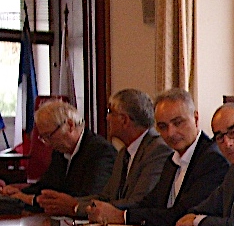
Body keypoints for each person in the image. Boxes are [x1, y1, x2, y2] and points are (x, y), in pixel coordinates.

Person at [88, 88, 228, 226]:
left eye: (178, 123)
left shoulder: (213, 159)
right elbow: (150, 203)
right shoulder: (172, 160)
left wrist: (122, 216)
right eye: (163, 126)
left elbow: (181, 214)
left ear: (196, 119)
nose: (170, 133)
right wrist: (106, 209)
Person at [35, 89, 173, 217]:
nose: (107, 118)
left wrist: (76, 206)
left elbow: (138, 202)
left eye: (110, 112)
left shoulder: (158, 150)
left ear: (124, 120)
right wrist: (65, 202)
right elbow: (106, 197)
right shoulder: (124, 152)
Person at [1, 100, 115, 211]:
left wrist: (28, 199)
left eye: (49, 136)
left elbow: (88, 199)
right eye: (43, 138)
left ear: (70, 125)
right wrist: (16, 193)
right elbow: (46, 186)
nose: (47, 143)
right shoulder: (60, 151)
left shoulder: (101, 152)